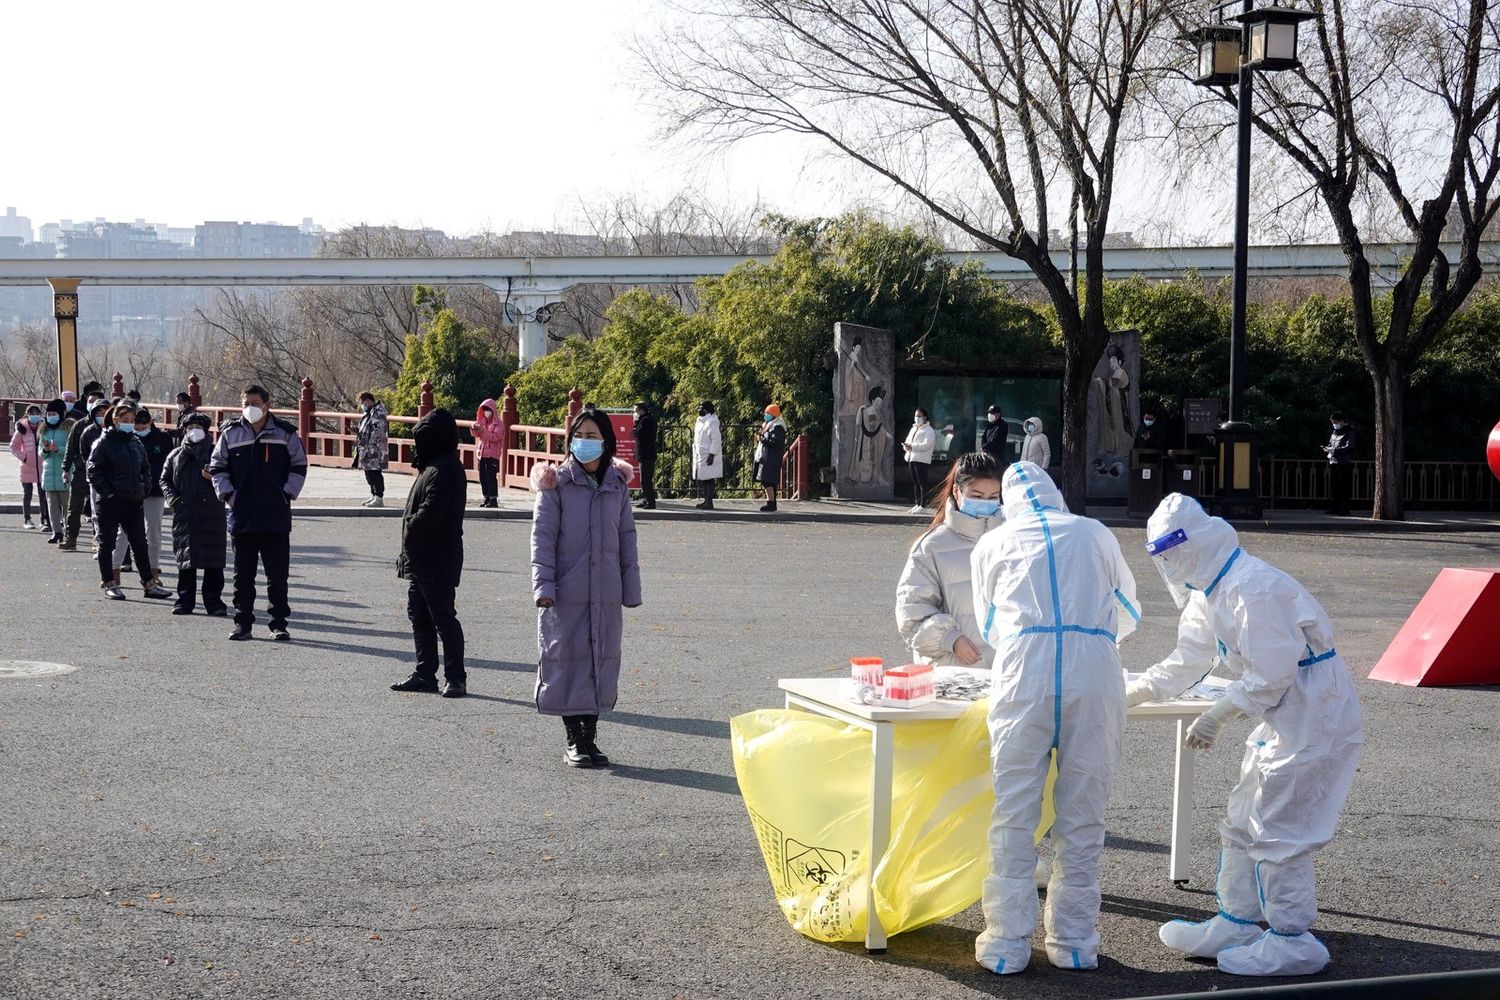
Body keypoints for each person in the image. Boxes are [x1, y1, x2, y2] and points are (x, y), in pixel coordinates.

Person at [1127, 494, 1363, 976]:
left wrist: (1217, 715)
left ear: (1196, 542)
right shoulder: (1208, 589)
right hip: (1283, 714)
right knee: (1241, 819)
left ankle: (1293, 940)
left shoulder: (1251, 588)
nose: (1169, 564)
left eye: (1172, 551)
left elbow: (1271, 675)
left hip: (1313, 712)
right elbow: (1188, 659)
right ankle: (1238, 922)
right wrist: (1132, 691)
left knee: (1279, 828)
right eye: (1162, 555)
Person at [970, 461, 1139, 974]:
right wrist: (1088, 633)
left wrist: (1036, 635)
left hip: (1025, 672)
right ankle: (1073, 941)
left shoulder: (991, 544)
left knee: (1014, 808)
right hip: (1095, 669)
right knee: (1084, 809)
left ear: (1009, 502)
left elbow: (991, 623)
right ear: (1055, 493)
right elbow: (1129, 609)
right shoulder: (1094, 532)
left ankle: (1006, 942)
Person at [529, 407, 642, 769]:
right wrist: (543, 586)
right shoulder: (556, 484)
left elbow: (627, 539)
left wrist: (631, 588)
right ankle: (574, 740)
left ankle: (590, 739)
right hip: (567, 592)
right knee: (568, 662)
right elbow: (542, 540)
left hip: (605, 592)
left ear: (606, 441)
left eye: (593, 436)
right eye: (580, 435)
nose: (586, 442)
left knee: (600, 663)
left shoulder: (616, 486)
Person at [210, 384, 308, 642]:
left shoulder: (285, 433)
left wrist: (286, 494)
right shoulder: (230, 434)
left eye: (254, 403)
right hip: (242, 514)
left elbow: (299, 465)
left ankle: (279, 623)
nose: (249, 408)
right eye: (245, 403)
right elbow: (217, 466)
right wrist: (229, 495)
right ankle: (243, 623)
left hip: (275, 514)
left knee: (277, 575)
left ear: (267, 404)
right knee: (243, 574)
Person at [895, 452, 1001, 668]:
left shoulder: (1011, 539)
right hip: (953, 673)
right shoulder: (932, 546)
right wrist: (950, 639)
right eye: (977, 496)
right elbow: (912, 612)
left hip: (1004, 674)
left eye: (993, 498)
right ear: (957, 491)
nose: (985, 504)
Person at [390, 408, 468, 698]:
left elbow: (432, 511)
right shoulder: (433, 466)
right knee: (419, 616)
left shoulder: (445, 469)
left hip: (438, 558)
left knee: (443, 618)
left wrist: (411, 527)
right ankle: (425, 672)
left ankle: (455, 677)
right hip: (421, 559)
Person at [87, 401, 173, 601]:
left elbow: (145, 468)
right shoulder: (104, 442)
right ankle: (109, 582)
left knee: (139, 542)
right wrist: (108, 493)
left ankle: (149, 583)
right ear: (115, 420)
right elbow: (94, 471)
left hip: (133, 500)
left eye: (132, 421)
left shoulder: (135, 442)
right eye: (125, 420)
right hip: (110, 501)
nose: (130, 424)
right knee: (107, 543)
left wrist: (143, 488)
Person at [161, 412, 228, 616]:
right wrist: (174, 500)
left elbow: (230, 474)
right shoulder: (175, 455)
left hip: (212, 512)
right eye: (190, 427)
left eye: (199, 426)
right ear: (184, 430)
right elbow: (165, 480)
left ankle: (214, 601)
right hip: (185, 512)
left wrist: (214, 477)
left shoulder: (217, 452)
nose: (194, 430)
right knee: (186, 560)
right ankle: (185, 600)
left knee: (213, 561)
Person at [113, 408, 173, 589]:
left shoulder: (163, 439)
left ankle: (154, 571)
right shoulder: (125, 438)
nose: (139, 430)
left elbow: (166, 464)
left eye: (142, 427)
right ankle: (114, 571)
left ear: (150, 423)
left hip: (154, 490)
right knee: (122, 533)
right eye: (136, 427)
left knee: (153, 532)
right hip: (129, 492)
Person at [60, 399, 111, 551]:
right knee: (74, 506)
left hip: (105, 473)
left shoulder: (113, 426)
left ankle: (98, 539)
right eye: (98, 413)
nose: (101, 416)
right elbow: (71, 448)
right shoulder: (81, 426)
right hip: (83, 470)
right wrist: (65, 468)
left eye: (104, 413)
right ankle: (70, 537)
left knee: (99, 508)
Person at [38, 400, 71, 544]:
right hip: (49, 473)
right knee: (52, 506)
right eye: (49, 414)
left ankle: (69, 532)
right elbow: (41, 453)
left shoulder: (68, 428)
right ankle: (56, 532)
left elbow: (72, 452)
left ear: (61, 414)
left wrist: (58, 449)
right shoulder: (44, 430)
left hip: (65, 473)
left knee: (67, 507)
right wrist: (45, 449)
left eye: (54, 414)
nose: (51, 416)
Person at [9, 404, 44, 529]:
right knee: (27, 494)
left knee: (43, 494)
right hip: (26, 467)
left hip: (42, 466)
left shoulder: (44, 427)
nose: (34, 415)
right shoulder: (22, 429)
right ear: (27, 414)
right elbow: (13, 446)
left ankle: (44, 519)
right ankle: (27, 519)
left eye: (36, 413)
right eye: (31, 413)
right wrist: (24, 457)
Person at [355, 392, 389, 508]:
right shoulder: (369, 412)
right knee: (368, 472)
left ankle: (379, 497)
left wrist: (370, 444)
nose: (362, 406)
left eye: (363, 403)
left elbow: (378, 430)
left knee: (375, 473)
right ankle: (374, 495)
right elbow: (367, 428)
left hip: (375, 448)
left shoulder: (378, 412)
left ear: (368, 401)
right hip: (366, 447)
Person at [471, 398, 505, 508]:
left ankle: (493, 499)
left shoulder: (499, 424)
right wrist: (474, 428)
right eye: (484, 409)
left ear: (493, 410)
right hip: (482, 453)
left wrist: (482, 431)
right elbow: (477, 435)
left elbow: (496, 437)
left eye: (488, 409)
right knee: (483, 477)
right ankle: (486, 497)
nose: (486, 412)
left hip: (492, 455)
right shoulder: (483, 422)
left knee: (491, 477)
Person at [902, 407, 936, 514]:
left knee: (922, 483)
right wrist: (906, 446)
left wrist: (913, 446)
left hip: (921, 459)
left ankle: (923, 505)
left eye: (919, 416)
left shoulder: (929, 430)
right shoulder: (913, 429)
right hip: (911, 458)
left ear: (925, 417)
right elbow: (908, 440)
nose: (917, 418)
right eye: (916, 416)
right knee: (916, 483)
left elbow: (927, 445)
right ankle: (917, 504)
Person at [754, 404, 787, 513]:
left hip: (772, 458)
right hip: (767, 456)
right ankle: (771, 502)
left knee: (767, 481)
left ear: (773, 415)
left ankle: (771, 503)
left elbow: (775, 442)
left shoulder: (778, 427)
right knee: (768, 480)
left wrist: (762, 439)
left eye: (768, 414)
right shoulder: (769, 425)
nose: (766, 415)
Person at [692, 401, 723, 511]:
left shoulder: (712, 422)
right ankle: (706, 500)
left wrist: (712, 454)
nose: (699, 410)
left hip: (708, 454)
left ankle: (709, 502)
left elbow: (716, 440)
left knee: (709, 479)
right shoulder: (700, 421)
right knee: (703, 478)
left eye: (701, 408)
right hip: (701, 454)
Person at [1323, 412, 1355, 516]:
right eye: (1333, 423)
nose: (1334, 424)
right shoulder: (1334, 431)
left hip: (1344, 463)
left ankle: (1344, 509)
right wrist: (1327, 448)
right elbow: (1331, 443)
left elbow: (1349, 447)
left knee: (1344, 487)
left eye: (1336, 422)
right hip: (1334, 461)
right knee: (1334, 487)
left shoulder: (1349, 432)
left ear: (1342, 421)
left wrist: (1335, 450)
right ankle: (1334, 508)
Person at [633, 401, 658, 510]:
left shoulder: (646, 420)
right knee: (644, 479)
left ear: (641, 410)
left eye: (636, 411)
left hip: (647, 454)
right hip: (645, 454)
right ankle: (646, 499)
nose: (635, 413)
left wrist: (636, 425)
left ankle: (651, 502)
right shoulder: (644, 420)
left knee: (646, 479)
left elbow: (640, 435)